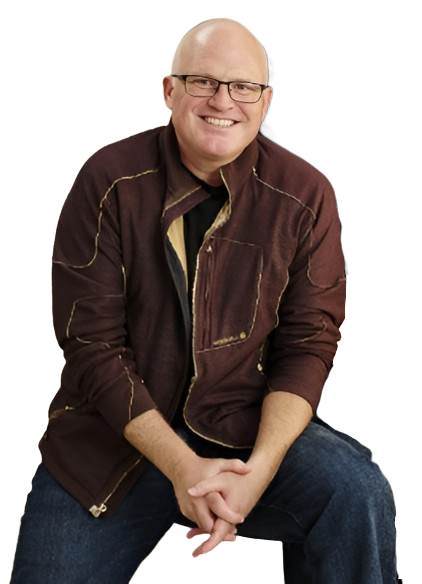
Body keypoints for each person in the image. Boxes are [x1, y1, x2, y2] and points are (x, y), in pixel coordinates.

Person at [10, 17, 399, 583]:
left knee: (356, 492)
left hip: (241, 431)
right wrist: (182, 467)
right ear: (170, 90)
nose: (223, 101)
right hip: (110, 443)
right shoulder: (109, 180)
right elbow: (92, 345)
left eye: (243, 86)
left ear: (266, 102)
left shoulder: (304, 195)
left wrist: (259, 471)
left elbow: (308, 344)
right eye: (203, 82)